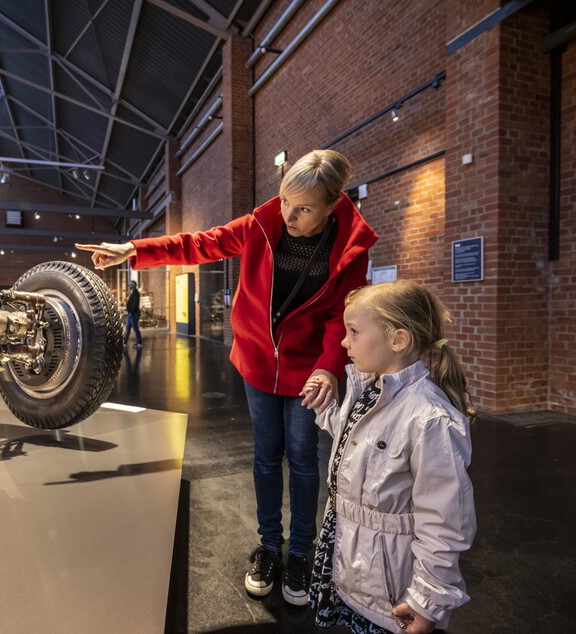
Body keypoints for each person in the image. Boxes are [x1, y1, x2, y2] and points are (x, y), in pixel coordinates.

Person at [76, 149, 378, 606]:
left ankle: (301, 552)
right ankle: (269, 547)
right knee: (265, 453)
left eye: (304, 209)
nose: (289, 216)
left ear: (332, 205)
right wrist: (134, 249)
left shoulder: (351, 245)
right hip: (258, 362)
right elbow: (199, 243)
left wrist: (328, 368)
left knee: (301, 456)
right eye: (284, 202)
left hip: (308, 371)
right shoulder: (262, 224)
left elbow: (342, 313)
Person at [306, 280, 476, 633]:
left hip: (390, 584)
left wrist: (427, 599)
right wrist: (327, 409)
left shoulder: (429, 419)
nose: (342, 341)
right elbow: (355, 440)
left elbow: (445, 521)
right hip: (353, 561)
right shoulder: (370, 388)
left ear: (398, 340)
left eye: (353, 331)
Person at [124, 280, 143, 348]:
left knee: (135, 328)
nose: (128, 286)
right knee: (128, 328)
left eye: (129, 285)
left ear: (132, 285)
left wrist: (131, 311)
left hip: (133, 314)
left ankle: (139, 343)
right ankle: (124, 342)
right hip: (131, 314)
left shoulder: (135, 293)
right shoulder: (133, 293)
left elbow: (135, 304)